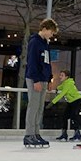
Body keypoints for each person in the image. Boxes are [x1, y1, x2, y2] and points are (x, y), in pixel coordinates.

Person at [22, 18, 57, 149]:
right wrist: (36, 80)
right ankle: (29, 134)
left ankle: (36, 133)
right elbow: (32, 62)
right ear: (45, 29)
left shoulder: (45, 44)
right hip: (34, 78)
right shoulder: (34, 42)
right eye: (51, 32)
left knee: (39, 108)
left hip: (43, 78)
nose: (51, 35)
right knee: (33, 106)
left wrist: (49, 78)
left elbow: (47, 62)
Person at [50, 70, 81, 142]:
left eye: (62, 75)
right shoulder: (65, 83)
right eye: (60, 75)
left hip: (76, 101)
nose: (60, 77)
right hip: (70, 102)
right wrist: (57, 88)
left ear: (66, 77)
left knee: (74, 117)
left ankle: (77, 135)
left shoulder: (69, 84)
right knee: (64, 117)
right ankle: (64, 134)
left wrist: (52, 102)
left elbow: (62, 93)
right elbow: (61, 87)